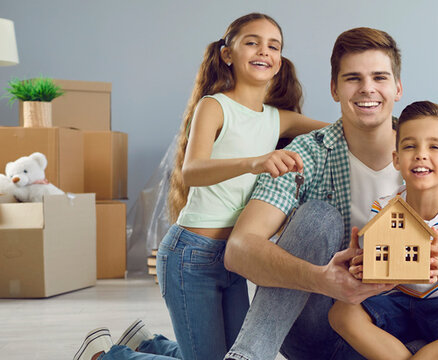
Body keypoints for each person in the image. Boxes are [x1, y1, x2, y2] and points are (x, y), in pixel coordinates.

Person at [73, 13, 326, 360]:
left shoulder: (276, 118)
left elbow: (341, 129)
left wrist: (400, 130)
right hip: (190, 255)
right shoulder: (214, 106)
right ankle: (105, 356)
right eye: (252, 42)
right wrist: (255, 162)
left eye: (274, 46)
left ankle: (148, 344)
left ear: (280, 61)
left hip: (235, 259)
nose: (264, 51)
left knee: (231, 355)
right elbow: (192, 171)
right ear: (227, 54)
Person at [222, 28, 438, 360]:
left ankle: (151, 348)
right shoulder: (307, 154)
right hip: (321, 328)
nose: (367, 88)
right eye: (353, 78)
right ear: (335, 89)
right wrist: (324, 280)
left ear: (397, 88)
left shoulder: (436, 156)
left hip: (400, 333)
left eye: (379, 77)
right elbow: (238, 249)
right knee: (318, 216)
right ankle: (246, 356)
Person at [328, 101, 438, 359]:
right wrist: (363, 270)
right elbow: (376, 277)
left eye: (435, 146)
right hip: (393, 302)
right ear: (396, 159)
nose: (421, 154)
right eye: (409, 146)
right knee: (340, 312)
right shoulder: (383, 208)